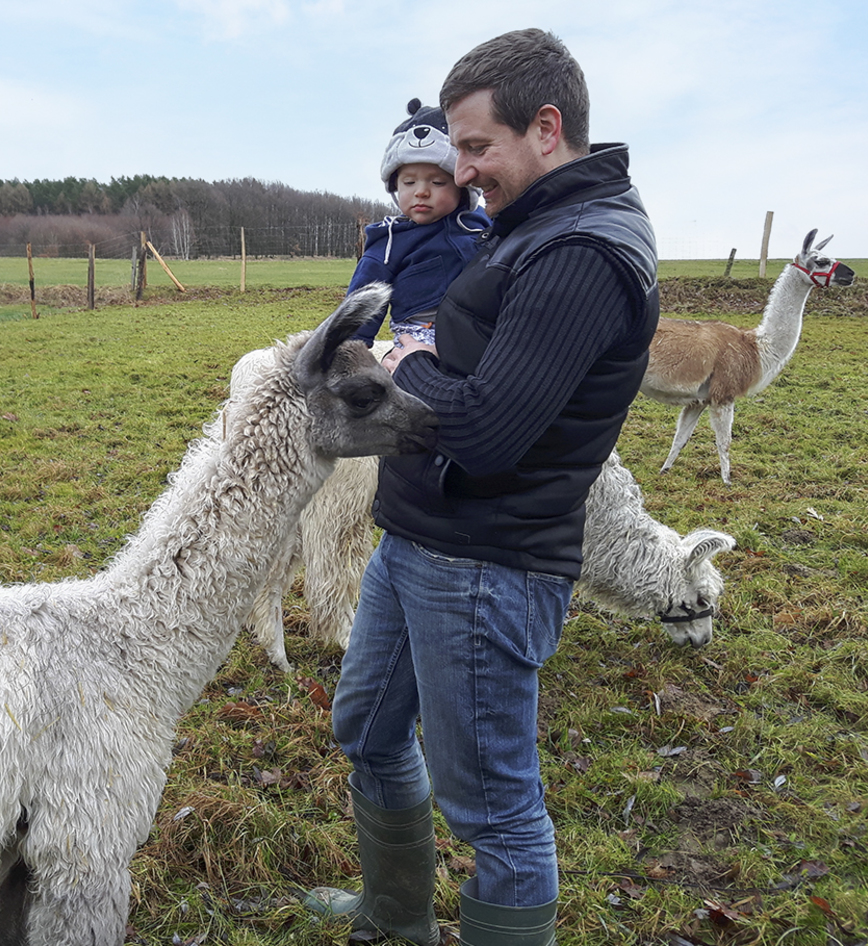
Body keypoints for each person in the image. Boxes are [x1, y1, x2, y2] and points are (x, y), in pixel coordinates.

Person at [305, 28, 659, 946]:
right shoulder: (532, 225)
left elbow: (491, 432)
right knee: (369, 730)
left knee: (494, 810)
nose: (458, 175)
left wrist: (401, 362)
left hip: (485, 562)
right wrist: (426, 365)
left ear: (546, 128)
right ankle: (396, 915)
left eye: (473, 148)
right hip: (421, 535)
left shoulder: (582, 251)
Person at [346, 99, 490, 349]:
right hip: (420, 331)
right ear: (395, 187)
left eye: (437, 183)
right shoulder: (390, 240)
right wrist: (350, 344)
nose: (421, 192)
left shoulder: (479, 224)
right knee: (420, 378)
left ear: (462, 188)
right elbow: (365, 295)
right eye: (409, 183)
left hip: (481, 326)